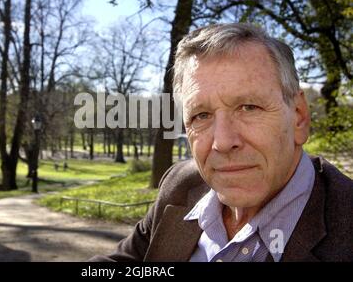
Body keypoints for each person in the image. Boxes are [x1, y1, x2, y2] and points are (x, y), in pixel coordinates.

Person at [90, 23, 353, 262]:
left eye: (249, 107)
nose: (223, 142)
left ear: (298, 118)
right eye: (201, 115)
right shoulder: (181, 185)